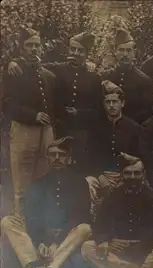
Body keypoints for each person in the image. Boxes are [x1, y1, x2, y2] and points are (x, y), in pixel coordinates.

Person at [1, 137, 91, 268]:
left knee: (85, 228)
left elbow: (80, 214)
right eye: (53, 155)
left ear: (69, 159)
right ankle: (35, 266)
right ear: (48, 158)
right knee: (7, 222)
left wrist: (57, 242)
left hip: (67, 238)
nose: (57, 158)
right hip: (42, 239)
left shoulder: (79, 182)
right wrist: (41, 241)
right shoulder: (37, 183)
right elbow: (32, 216)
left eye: (61, 155)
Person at [81, 153, 153, 268]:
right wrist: (107, 240)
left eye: (136, 173)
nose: (132, 177)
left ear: (143, 174)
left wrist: (141, 244)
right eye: (128, 173)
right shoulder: (112, 196)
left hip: (144, 249)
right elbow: (100, 224)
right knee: (87, 247)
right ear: (122, 175)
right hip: (118, 251)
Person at [8, 31, 102, 174]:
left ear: (87, 54)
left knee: (78, 172)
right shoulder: (57, 69)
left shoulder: (93, 77)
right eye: (73, 49)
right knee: (55, 171)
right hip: (59, 131)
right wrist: (13, 62)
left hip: (82, 134)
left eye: (80, 51)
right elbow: (33, 64)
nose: (76, 53)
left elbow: (98, 110)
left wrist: (79, 113)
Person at [3, 27, 56, 216]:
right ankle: (21, 224)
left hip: (45, 131)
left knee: (43, 175)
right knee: (22, 181)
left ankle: (39, 224)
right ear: (22, 48)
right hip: (24, 130)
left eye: (37, 45)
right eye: (29, 46)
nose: (34, 49)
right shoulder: (14, 71)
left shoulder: (45, 71)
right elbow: (6, 104)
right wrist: (32, 115)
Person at [85, 80, 143, 216]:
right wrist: (100, 176)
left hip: (127, 175)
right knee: (88, 183)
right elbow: (89, 156)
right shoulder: (96, 128)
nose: (111, 106)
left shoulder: (134, 128)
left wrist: (127, 173)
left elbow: (141, 156)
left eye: (115, 102)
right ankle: (93, 221)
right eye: (108, 102)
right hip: (101, 175)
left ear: (122, 103)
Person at [101, 28, 153, 124]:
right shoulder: (105, 77)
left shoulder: (144, 80)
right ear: (115, 51)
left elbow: (148, 112)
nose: (125, 54)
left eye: (128, 50)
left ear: (134, 53)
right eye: (121, 50)